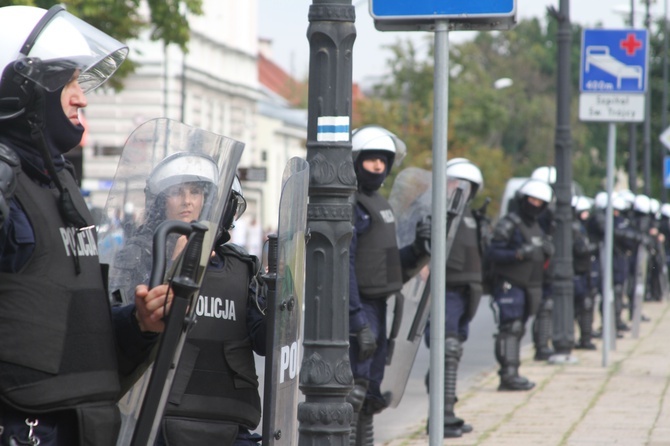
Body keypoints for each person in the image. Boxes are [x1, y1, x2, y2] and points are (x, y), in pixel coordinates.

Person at [0, 5, 171, 446]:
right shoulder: (5, 187)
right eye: (68, 82)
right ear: (20, 90)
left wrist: (139, 323)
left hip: (81, 424)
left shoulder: (60, 186)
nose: (82, 97)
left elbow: (77, 331)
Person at [156, 178, 267, 446]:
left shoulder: (242, 268)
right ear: (160, 202)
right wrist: (173, 266)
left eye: (196, 192)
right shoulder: (144, 256)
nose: (187, 200)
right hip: (159, 416)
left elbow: (265, 342)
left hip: (232, 418)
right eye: (176, 192)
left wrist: (281, 295)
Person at [347, 125, 431, 446]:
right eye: (371, 161)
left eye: (383, 161)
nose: (378, 167)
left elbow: (387, 265)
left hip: (380, 306)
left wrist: (420, 249)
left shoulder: (379, 204)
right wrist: (357, 322)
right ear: (356, 161)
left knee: (370, 393)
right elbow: (346, 269)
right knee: (353, 390)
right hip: (360, 307)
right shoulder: (352, 205)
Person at [423, 158, 484, 438]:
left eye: (467, 185)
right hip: (444, 291)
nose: (460, 188)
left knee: (453, 352)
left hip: (467, 292)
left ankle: (447, 413)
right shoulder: (434, 211)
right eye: (455, 182)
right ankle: (439, 418)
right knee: (446, 350)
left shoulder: (472, 216)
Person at [486, 178, 554, 391]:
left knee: (519, 329)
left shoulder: (536, 225)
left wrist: (546, 249)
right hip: (509, 283)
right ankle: (507, 375)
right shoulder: (510, 222)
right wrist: (518, 254)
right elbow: (492, 252)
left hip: (529, 284)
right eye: (531, 200)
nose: (535, 205)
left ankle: (513, 372)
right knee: (510, 328)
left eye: (539, 202)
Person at [529, 166, 557, 361]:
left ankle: (544, 343)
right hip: (538, 264)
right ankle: (540, 345)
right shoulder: (539, 213)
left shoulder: (551, 211)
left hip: (550, 263)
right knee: (543, 307)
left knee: (548, 306)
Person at [571, 195, 599, 350]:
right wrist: (591, 247)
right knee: (576, 309)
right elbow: (580, 249)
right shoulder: (574, 228)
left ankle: (585, 339)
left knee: (586, 306)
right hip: (575, 272)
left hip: (583, 272)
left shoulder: (582, 228)